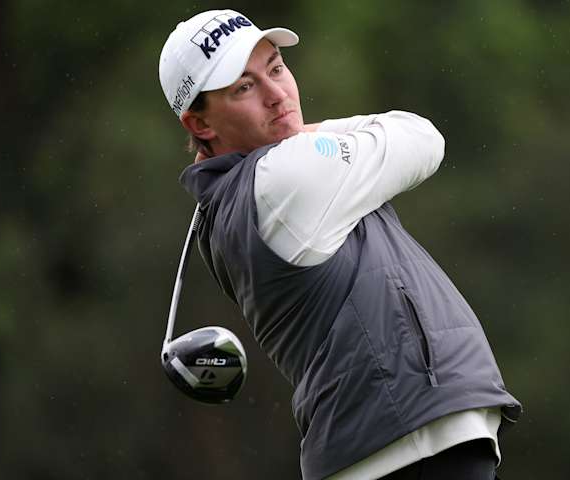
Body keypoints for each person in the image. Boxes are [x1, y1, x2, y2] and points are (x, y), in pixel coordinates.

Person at [158, 9, 521, 480]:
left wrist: (299, 134)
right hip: (407, 448)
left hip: (399, 446)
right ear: (201, 125)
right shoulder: (279, 180)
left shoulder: (256, 188)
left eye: (276, 69)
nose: (277, 95)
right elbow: (423, 138)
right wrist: (307, 133)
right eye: (244, 88)